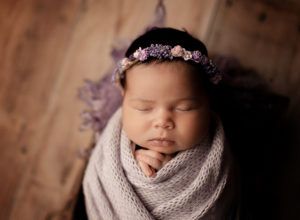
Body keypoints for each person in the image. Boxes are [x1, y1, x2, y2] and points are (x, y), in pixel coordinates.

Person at [83, 27, 239, 220]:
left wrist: (174, 176)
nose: (163, 122)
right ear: (123, 98)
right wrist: (133, 169)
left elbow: (222, 207)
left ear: (208, 101)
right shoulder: (109, 155)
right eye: (143, 108)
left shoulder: (219, 160)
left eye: (185, 107)